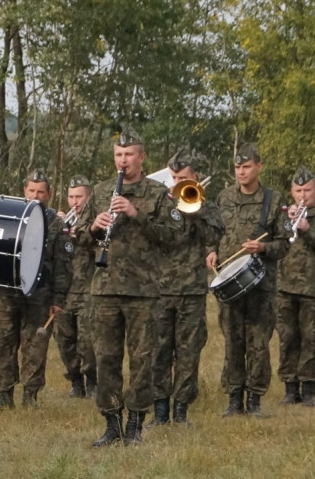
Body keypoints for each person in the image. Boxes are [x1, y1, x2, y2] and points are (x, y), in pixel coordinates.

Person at [76, 130, 182, 446]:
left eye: (129, 155)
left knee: (143, 359)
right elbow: (79, 238)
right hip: (106, 289)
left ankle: (135, 423)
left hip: (143, 291)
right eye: (119, 155)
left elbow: (173, 236)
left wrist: (137, 215)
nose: (123, 161)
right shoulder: (100, 191)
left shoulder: (158, 192)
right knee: (105, 358)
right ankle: (111, 424)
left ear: (141, 157)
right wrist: (94, 227)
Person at [205, 143, 288, 417]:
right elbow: (213, 233)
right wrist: (212, 251)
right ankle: (233, 398)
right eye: (238, 167)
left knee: (258, 343)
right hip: (229, 281)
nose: (241, 172)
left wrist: (263, 248)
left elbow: (285, 244)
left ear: (258, 167)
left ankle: (254, 399)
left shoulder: (272, 201)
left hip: (260, 285)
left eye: (246, 166)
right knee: (232, 341)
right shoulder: (224, 197)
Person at [150, 152, 223, 425]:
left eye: (184, 178)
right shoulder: (159, 204)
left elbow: (213, 236)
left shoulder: (208, 205)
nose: (178, 182)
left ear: (194, 177)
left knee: (188, 352)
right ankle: (159, 411)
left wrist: (195, 208)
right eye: (175, 178)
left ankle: (181, 412)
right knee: (158, 352)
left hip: (191, 290)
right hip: (160, 288)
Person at [0, 170, 69, 409]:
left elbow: (63, 266)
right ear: (24, 191)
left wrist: (58, 298)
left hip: (40, 294)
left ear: (49, 194)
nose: (36, 195)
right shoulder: (10, 216)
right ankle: (4, 395)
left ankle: (30, 396)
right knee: (2, 343)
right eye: (31, 190)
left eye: (41, 191)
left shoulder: (56, 223)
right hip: (8, 293)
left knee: (35, 346)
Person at [274, 166, 315, 406]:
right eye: (298, 190)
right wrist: (287, 222)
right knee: (287, 338)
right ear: (291, 191)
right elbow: (278, 243)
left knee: (311, 338)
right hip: (286, 287)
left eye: (308, 190)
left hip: (311, 288)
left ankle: (310, 388)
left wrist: (308, 230)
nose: (303, 196)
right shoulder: (286, 214)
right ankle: (290, 388)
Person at [54, 176, 97, 399]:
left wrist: (81, 232)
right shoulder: (61, 221)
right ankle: (75, 381)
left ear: (88, 197)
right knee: (64, 339)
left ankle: (92, 381)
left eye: (79, 196)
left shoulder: (96, 222)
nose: (74, 202)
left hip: (88, 289)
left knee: (87, 341)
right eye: (71, 197)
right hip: (64, 291)